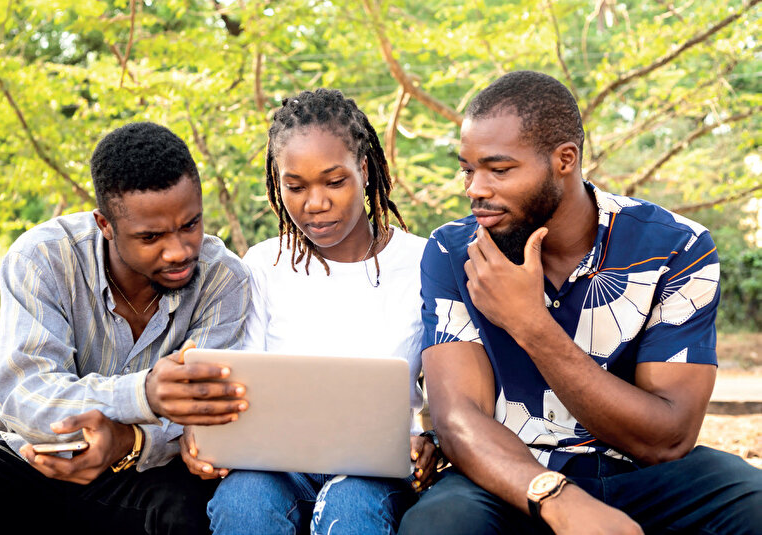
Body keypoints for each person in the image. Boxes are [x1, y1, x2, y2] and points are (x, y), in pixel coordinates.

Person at [397, 70, 762, 535]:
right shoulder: (454, 252)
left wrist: (530, 325)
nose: (475, 189)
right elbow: (458, 419)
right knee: (439, 525)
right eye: (468, 169)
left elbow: (667, 438)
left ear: (564, 159)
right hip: (507, 476)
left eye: (499, 169)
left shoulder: (675, 247)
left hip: (648, 477)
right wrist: (557, 499)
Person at [0, 122, 252, 535]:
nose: (178, 250)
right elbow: (27, 395)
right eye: (151, 236)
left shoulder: (225, 280)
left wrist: (128, 443)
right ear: (105, 224)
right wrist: (143, 393)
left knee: (193, 511)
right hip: (32, 464)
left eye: (190, 225)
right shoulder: (42, 257)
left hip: (148, 480)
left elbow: (205, 415)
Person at [188, 88, 439, 535]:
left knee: (352, 506)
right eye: (295, 186)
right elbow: (240, 383)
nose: (314, 203)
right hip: (276, 464)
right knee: (244, 503)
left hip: (376, 469)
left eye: (334, 181)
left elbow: (450, 384)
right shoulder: (263, 265)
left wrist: (431, 441)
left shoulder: (422, 264)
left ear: (364, 170)